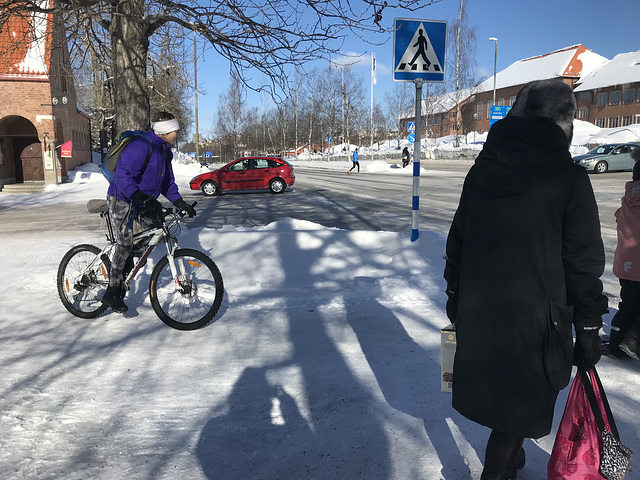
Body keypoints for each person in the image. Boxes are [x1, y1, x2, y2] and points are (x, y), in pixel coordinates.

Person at [443, 80, 607, 480]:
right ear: (562, 123)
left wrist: (456, 298)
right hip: (539, 321)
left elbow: (457, 243)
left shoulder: (481, 171)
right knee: (519, 409)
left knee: (504, 403)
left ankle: (509, 462)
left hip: (481, 312)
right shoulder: (568, 178)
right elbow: (583, 261)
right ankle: (497, 471)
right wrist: (587, 325)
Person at [101, 111, 196, 314]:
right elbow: (122, 175)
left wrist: (180, 202)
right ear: (164, 131)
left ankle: (127, 259)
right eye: (174, 130)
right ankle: (112, 291)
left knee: (156, 230)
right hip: (122, 197)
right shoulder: (141, 146)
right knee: (124, 243)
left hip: (142, 200)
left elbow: (167, 182)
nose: (177, 133)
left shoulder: (164, 151)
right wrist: (139, 197)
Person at [610, 148, 640, 361]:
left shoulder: (627, 202)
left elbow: (619, 218)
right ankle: (632, 341)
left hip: (626, 265)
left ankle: (616, 344)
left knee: (628, 304)